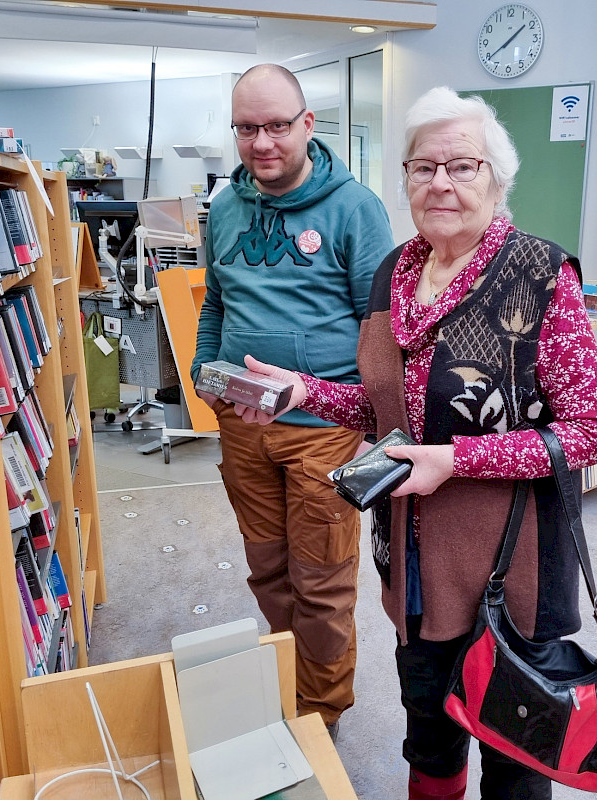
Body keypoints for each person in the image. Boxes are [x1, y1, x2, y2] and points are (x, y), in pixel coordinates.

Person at [231, 86, 597, 799]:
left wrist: (456, 461)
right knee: (431, 743)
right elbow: (387, 412)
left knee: (513, 758)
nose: (440, 182)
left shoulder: (540, 275)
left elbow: (595, 431)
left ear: (496, 179)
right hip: (412, 567)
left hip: (511, 571)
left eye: (462, 166)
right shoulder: (396, 272)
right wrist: (303, 392)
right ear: (406, 177)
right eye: (423, 167)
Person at [191, 63, 394, 738]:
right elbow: (216, 302)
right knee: (268, 569)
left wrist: (370, 421)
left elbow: (380, 327)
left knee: (321, 579)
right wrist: (202, 369)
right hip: (241, 421)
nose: (262, 143)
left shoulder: (355, 208)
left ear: (308, 124)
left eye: (277, 125)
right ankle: (290, 683)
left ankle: (320, 715)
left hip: (323, 429)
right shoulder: (226, 207)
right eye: (246, 128)